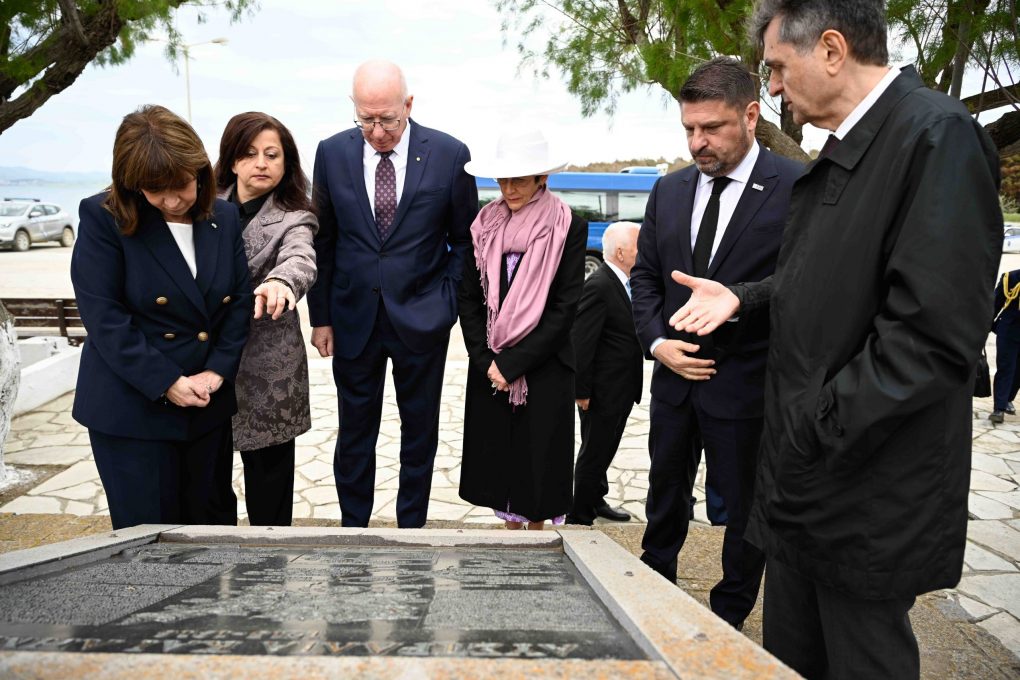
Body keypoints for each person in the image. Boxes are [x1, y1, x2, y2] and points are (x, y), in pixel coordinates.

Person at [669, 1, 1002, 676]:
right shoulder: (850, 147)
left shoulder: (934, 137)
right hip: (806, 482)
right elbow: (827, 286)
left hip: (863, 488)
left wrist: (813, 425)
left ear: (830, 49)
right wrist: (743, 299)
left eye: (777, 67)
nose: (773, 87)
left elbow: (932, 336)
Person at [629, 56, 802, 630]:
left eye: (712, 128)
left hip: (747, 385)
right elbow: (645, 279)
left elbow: (807, 280)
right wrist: (658, 343)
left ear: (751, 116)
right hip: (673, 382)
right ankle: (654, 593)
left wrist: (740, 298)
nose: (697, 142)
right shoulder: (669, 190)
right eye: (688, 128)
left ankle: (729, 613)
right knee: (663, 494)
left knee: (746, 507)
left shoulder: (794, 185)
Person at [307, 60, 477, 528]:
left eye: (388, 119)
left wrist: (446, 302)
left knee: (419, 432)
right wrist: (320, 317)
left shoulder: (449, 153)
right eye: (366, 120)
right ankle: (353, 528)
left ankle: (412, 529)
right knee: (354, 431)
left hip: (422, 318)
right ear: (354, 107)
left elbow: (465, 240)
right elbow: (324, 239)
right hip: (352, 318)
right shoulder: (331, 153)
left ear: (409, 105)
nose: (378, 132)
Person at [71, 104, 251, 530]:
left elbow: (239, 301)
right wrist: (167, 382)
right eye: (155, 190)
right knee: (150, 541)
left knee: (212, 533)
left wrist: (217, 372)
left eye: (181, 185)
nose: (171, 201)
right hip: (134, 409)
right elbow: (104, 317)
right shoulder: (104, 218)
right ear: (131, 184)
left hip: (206, 405)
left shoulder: (223, 216)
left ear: (199, 171)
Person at [458, 128, 587, 530]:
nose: (509, 189)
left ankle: (536, 542)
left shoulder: (569, 226)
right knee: (499, 464)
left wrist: (513, 364)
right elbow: (469, 299)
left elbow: (564, 308)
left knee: (539, 467)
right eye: (503, 179)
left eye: (519, 179)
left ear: (541, 178)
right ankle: (509, 541)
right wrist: (486, 361)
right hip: (491, 366)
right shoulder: (484, 226)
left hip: (544, 367)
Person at [214, 112, 318, 526]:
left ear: (286, 162)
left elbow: (300, 257)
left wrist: (281, 282)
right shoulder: (202, 204)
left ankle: (272, 556)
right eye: (250, 153)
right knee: (208, 479)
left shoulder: (296, 215)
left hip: (267, 366)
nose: (261, 163)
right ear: (231, 160)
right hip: (205, 360)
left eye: (272, 155)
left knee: (269, 483)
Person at [566, 221, 643, 526]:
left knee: (604, 449)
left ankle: (596, 500)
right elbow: (581, 341)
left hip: (620, 387)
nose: (644, 252)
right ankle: (579, 516)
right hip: (602, 390)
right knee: (595, 452)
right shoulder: (599, 285)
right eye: (639, 247)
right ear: (621, 252)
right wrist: (581, 390)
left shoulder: (621, 282)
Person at [991, 268, 1020, 423]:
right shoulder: (1011, 277)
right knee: (1005, 367)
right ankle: (999, 408)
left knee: (1018, 371)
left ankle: (1008, 398)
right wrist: (986, 325)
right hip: (1009, 331)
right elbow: (996, 303)